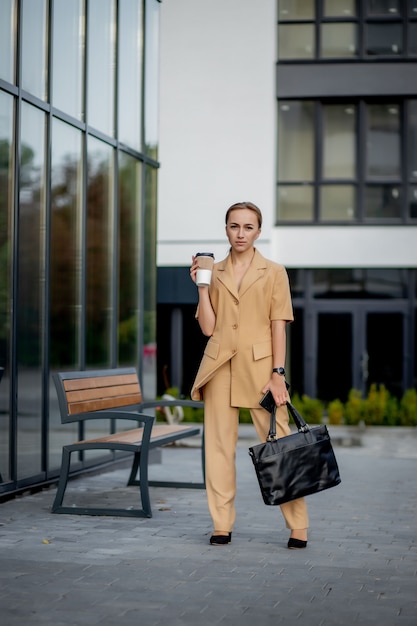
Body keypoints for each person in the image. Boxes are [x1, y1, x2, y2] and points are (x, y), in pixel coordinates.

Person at [190, 201, 309, 548]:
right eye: (233, 226)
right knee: (218, 451)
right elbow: (209, 327)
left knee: (282, 448)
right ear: (225, 229)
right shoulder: (215, 271)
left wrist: (277, 373)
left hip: (261, 371)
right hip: (218, 367)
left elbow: (279, 326)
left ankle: (298, 524)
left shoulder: (274, 271)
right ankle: (221, 523)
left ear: (259, 231)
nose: (240, 233)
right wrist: (201, 285)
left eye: (247, 227)